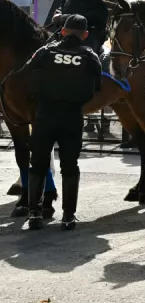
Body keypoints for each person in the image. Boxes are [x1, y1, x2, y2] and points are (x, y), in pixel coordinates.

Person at [15, 15, 102, 230]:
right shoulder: (90, 56)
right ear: (85, 35)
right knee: (70, 167)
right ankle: (68, 217)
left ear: (62, 31)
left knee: (38, 165)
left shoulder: (45, 52)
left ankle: (35, 215)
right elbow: (97, 87)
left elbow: (24, 73)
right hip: (72, 118)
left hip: (44, 116)